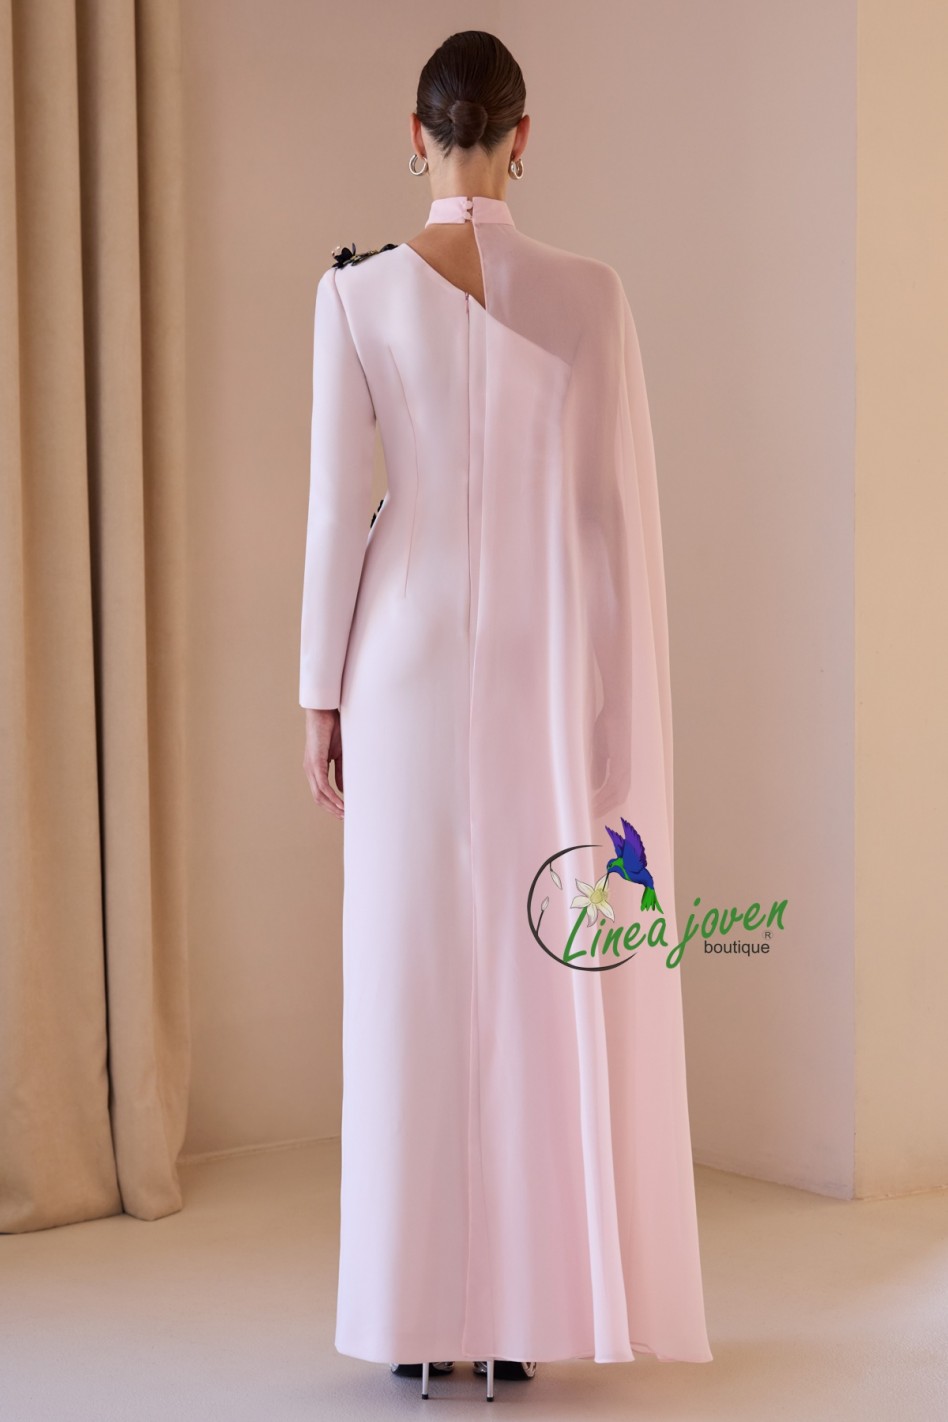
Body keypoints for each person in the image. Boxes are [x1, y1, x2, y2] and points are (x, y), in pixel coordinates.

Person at [299, 29, 713, 1404]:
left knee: (410, 974)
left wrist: (318, 696)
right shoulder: (594, 295)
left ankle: (422, 1317)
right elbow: (608, 525)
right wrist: (614, 707)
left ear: (413, 134)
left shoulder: (353, 294)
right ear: (522, 137)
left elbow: (335, 517)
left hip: (400, 656)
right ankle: (529, 1305)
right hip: (540, 658)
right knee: (538, 966)